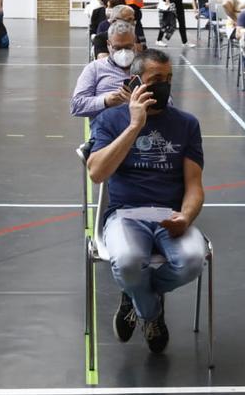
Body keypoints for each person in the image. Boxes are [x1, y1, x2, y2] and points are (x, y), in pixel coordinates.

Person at [87, 48, 206, 354]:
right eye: (156, 79)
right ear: (135, 80)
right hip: (125, 215)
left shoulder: (186, 124)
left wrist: (186, 217)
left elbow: (194, 185)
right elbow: (97, 173)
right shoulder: (110, 119)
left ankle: (135, 294)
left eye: (169, 79)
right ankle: (150, 311)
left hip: (170, 214)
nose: (164, 85)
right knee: (127, 262)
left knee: (193, 261)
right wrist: (134, 126)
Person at [71, 20, 138, 119]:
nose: (123, 52)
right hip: (106, 130)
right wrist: (105, 101)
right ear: (108, 45)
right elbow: (76, 106)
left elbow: (167, 103)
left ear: (135, 43)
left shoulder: (147, 67)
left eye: (128, 47)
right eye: (117, 48)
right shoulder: (95, 68)